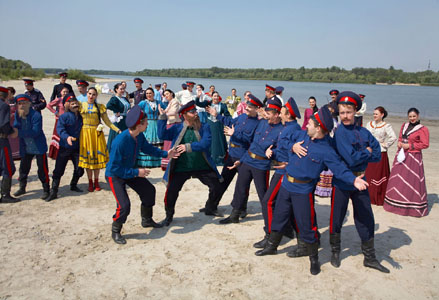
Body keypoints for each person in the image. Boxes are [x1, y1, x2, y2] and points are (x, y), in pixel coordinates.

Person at [255, 105, 370, 276]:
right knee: (279, 216)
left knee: (306, 225)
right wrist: (293, 146)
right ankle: (272, 247)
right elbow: (284, 140)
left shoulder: (326, 150)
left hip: (303, 190)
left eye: (310, 123)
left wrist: (353, 180)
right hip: (287, 184)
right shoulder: (302, 135)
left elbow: (339, 169)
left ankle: (314, 258)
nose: (306, 125)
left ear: (318, 128)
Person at [329, 91, 389, 273]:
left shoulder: (364, 132)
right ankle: (335, 252)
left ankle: (370, 258)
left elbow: (378, 154)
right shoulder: (339, 133)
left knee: (365, 217)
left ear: (355, 111)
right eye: (342, 112)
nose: (345, 116)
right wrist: (366, 152)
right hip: (342, 180)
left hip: (361, 180)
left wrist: (365, 154)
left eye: (348, 112)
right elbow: (351, 157)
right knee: (337, 217)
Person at [106, 105, 179, 244]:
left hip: (130, 171)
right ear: (139, 125)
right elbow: (115, 168)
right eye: (145, 122)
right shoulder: (120, 141)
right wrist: (136, 172)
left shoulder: (139, 136)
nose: (147, 124)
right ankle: (116, 230)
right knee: (124, 206)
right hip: (115, 175)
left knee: (149, 191)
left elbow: (148, 149)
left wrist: (166, 154)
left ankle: (146, 220)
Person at [219, 96, 284, 224]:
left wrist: (273, 153)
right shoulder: (262, 123)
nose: (265, 115)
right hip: (248, 160)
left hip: (261, 164)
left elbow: (282, 150)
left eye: (268, 113)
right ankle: (235, 214)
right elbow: (252, 145)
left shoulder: (281, 130)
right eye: (265, 112)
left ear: (277, 115)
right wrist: (241, 160)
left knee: (264, 195)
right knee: (240, 188)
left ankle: (274, 222)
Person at [157, 100, 222, 227]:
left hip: (201, 165)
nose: (196, 113)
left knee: (217, 185)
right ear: (184, 115)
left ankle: (210, 207)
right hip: (181, 167)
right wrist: (162, 117)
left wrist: (188, 147)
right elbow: (162, 134)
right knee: (171, 192)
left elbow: (206, 144)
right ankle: (169, 216)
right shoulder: (176, 127)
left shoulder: (205, 126)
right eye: (192, 112)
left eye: (195, 111)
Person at [201, 93, 263, 216]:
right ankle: (212, 206)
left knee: (243, 185)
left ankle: (241, 209)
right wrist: (216, 115)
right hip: (231, 155)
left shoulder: (258, 124)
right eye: (247, 105)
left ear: (257, 109)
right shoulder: (241, 117)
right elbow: (229, 121)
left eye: (250, 107)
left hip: (243, 158)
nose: (247, 108)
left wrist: (234, 134)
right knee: (222, 181)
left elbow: (251, 141)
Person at [253, 97, 302, 249]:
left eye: (281, 113)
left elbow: (300, 152)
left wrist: (289, 164)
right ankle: (290, 232)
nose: (279, 115)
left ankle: (270, 235)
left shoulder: (294, 130)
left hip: (284, 172)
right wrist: (272, 151)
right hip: (280, 168)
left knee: (268, 201)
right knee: (285, 205)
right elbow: (283, 147)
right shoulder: (288, 127)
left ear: (288, 115)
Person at [384, 107, 429, 217]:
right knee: (397, 178)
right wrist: (399, 143)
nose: (412, 118)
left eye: (414, 116)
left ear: (418, 116)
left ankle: (410, 206)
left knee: (411, 179)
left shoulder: (423, 129)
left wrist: (410, 145)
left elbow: (425, 144)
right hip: (401, 155)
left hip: (413, 157)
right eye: (410, 116)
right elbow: (400, 137)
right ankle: (394, 203)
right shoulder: (404, 125)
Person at [78, 87, 120, 192]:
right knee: (88, 158)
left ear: (96, 96)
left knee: (96, 158)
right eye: (89, 94)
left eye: (93, 94)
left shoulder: (100, 107)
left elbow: (107, 122)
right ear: (87, 94)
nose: (91, 96)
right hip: (85, 133)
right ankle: (90, 182)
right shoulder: (80, 105)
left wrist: (118, 130)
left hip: (96, 133)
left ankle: (96, 181)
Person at [46, 94, 84, 201]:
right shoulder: (63, 117)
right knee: (59, 170)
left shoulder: (81, 117)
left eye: (76, 103)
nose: (75, 105)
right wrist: (67, 137)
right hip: (65, 147)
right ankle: (54, 191)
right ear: (67, 105)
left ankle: (73, 184)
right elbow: (60, 129)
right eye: (72, 104)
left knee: (80, 169)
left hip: (77, 147)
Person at [13, 94, 50, 200]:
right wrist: (13, 130)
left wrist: (18, 133)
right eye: (19, 103)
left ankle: (46, 189)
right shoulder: (17, 114)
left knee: (42, 169)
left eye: (24, 103)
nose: (22, 105)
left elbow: (35, 132)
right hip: (25, 146)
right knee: (23, 168)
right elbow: (16, 125)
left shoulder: (36, 115)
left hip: (38, 146)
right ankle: (22, 187)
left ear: (29, 103)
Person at [365, 107, 397, 205]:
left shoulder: (386, 126)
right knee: (369, 173)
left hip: (380, 152)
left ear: (382, 115)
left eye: (376, 114)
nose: (374, 116)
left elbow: (393, 137)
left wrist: (386, 144)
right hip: (370, 152)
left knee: (378, 174)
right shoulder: (369, 124)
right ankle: (366, 195)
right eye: (374, 114)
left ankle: (377, 196)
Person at [195, 91, 230, 165]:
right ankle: (208, 158)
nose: (216, 97)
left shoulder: (223, 105)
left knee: (218, 140)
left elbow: (227, 115)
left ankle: (219, 159)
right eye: (214, 96)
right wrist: (198, 97)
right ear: (212, 97)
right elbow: (198, 103)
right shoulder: (208, 104)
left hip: (218, 125)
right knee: (209, 140)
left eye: (217, 96)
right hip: (209, 124)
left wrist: (229, 122)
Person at [136, 87, 165, 168]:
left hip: (156, 123)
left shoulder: (158, 102)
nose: (148, 95)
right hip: (147, 124)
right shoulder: (143, 103)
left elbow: (166, 109)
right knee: (147, 141)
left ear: (153, 94)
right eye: (147, 93)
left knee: (157, 141)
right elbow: (136, 110)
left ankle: (157, 161)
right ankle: (145, 162)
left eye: (150, 93)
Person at [0, 86, 19, 203]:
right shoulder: (4, 106)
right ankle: (5, 194)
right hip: (2, 140)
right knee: (8, 167)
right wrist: (12, 132)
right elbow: (3, 125)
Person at [159, 89, 181, 171]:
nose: (166, 96)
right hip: (170, 123)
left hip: (174, 123)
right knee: (168, 143)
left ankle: (171, 162)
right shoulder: (170, 102)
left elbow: (174, 112)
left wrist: (163, 114)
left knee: (172, 143)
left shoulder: (175, 101)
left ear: (172, 93)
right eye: (165, 95)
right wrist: (162, 111)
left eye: (167, 94)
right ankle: (167, 162)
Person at [106, 83, 130, 153]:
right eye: (121, 89)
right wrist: (116, 111)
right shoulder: (114, 98)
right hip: (118, 120)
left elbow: (128, 106)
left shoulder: (124, 98)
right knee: (117, 137)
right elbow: (108, 105)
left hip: (126, 121)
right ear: (116, 90)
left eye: (123, 89)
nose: (122, 90)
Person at [47, 86, 69, 159]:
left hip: (67, 121)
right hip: (59, 120)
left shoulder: (69, 100)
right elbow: (48, 105)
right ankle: (55, 154)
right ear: (61, 92)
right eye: (64, 92)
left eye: (67, 92)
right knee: (58, 135)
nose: (65, 93)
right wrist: (56, 112)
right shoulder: (59, 99)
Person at [6, 87, 20, 160]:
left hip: (15, 121)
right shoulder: (5, 101)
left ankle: (17, 154)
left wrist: (14, 114)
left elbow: (19, 110)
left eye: (9, 93)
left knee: (15, 137)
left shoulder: (16, 101)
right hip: (7, 121)